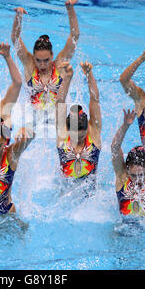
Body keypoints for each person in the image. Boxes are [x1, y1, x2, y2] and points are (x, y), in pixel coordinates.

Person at [11, 0, 80, 109]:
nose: (42, 65)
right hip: (32, 118)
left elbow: (75, 36)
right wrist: (18, 16)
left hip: (57, 118)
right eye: (38, 60)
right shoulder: (30, 64)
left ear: (52, 56)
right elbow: (15, 39)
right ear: (33, 57)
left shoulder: (59, 65)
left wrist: (70, 9)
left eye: (46, 60)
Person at [56, 61, 102, 194]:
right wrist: (68, 77)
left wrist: (89, 74)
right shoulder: (63, 135)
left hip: (90, 198)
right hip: (64, 195)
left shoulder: (93, 134)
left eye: (82, 135)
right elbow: (60, 102)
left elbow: (95, 99)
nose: (78, 139)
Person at [111, 108, 145, 217]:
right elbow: (115, 148)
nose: (138, 179)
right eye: (133, 175)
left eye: (142, 175)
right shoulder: (122, 178)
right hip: (121, 231)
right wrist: (125, 125)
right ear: (127, 171)